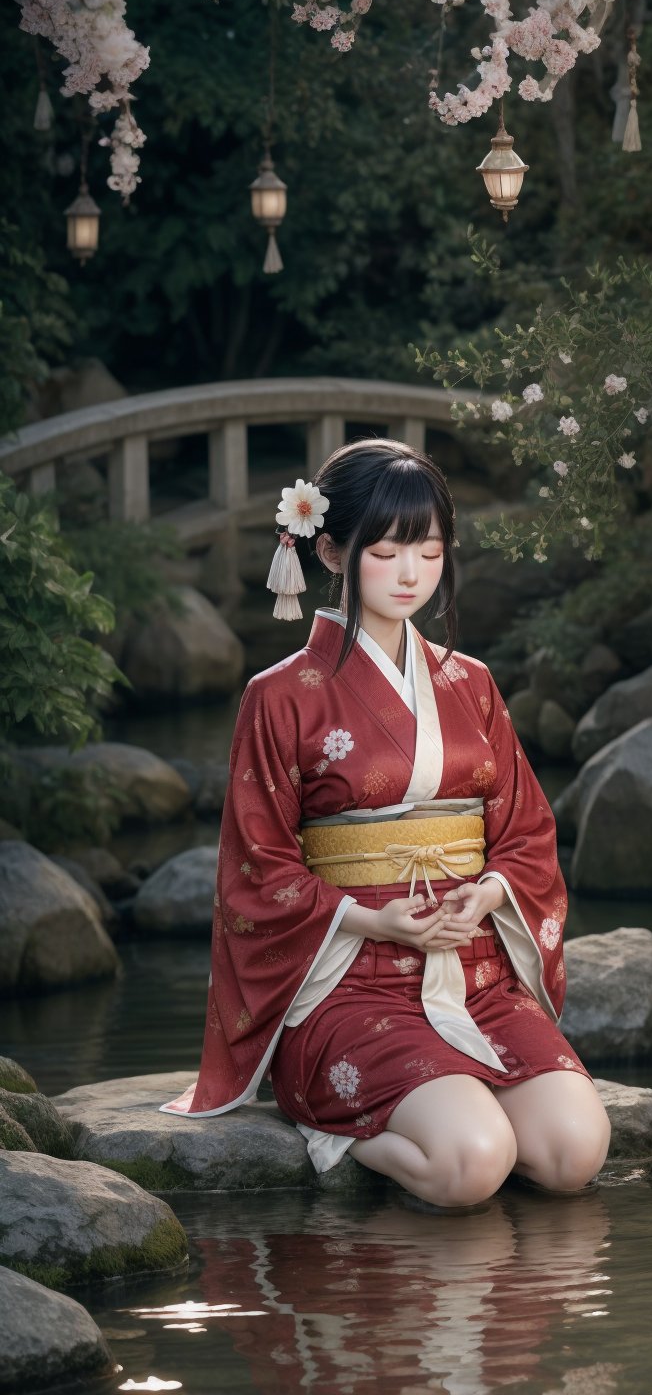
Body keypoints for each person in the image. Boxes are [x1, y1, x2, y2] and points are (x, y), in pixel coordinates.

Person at [160, 438, 611, 1207]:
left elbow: (525, 829)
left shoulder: (471, 682)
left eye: (430, 552)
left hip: (475, 972)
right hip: (348, 984)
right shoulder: (279, 696)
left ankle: (458, 1102)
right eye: (388, 550)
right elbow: (257, 869)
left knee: (574, 1154)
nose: (412, 575)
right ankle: (352, 1139)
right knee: (472, 1164)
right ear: (332, 551)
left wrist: (493, 894)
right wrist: (375, 922)